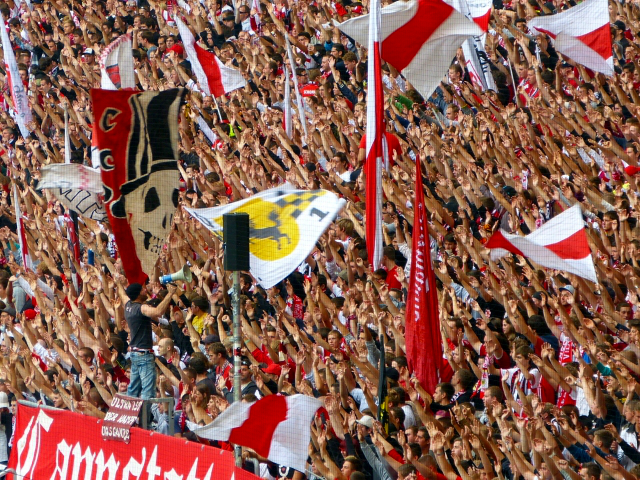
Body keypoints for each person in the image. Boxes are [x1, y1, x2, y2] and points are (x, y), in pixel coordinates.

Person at [125, 283, 176, 400]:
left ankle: (130, 411)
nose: (145, 291)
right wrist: (170, 293)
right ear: (138, 294)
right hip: (144, 355)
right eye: (143, 289)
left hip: (135, 353)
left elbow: (123, 294)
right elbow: (158, 311)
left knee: (133, 390)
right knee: (148, 392)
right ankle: (145, 412)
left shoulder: (128, 305)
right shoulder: (141, 308)